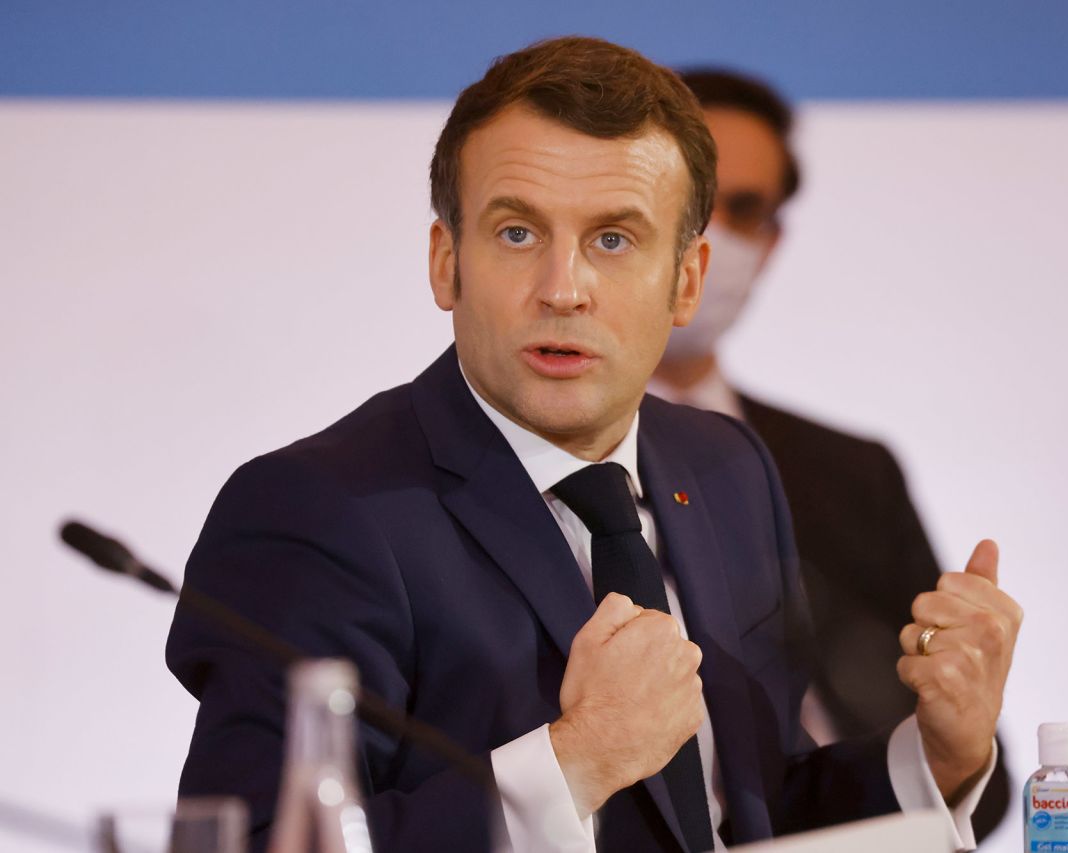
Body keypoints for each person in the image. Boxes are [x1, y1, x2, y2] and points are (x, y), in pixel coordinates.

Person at [166, 37, 1022, 852]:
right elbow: (253, 840)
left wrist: (937, 756)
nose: (563, 288)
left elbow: (754, 805)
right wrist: (574, 761)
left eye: (613, 239)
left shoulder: (728, 469)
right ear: (445, 261)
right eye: (516, 232)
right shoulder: (317, 510)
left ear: (684, 279)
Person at [646, 70, 1012, 838]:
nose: (710, 239)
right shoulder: (517, 458)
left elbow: (970, 769)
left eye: (744, 211)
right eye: (694, 199)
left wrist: (955, 742)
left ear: (772, 242)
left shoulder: (851, 473)